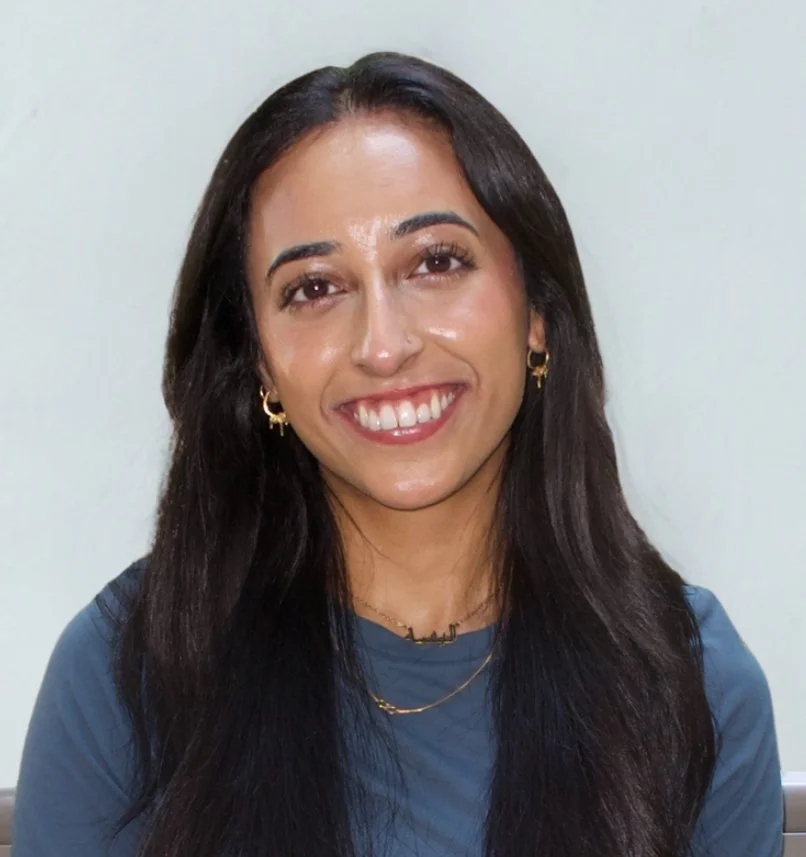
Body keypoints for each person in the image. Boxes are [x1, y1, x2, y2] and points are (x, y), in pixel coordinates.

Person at [13, 52, 783, 857]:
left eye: (436, 262)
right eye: (315, 287)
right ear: (260, 363)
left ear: (536, 314)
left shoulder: (692, 685)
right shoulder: (124, 677)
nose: (383, 346)